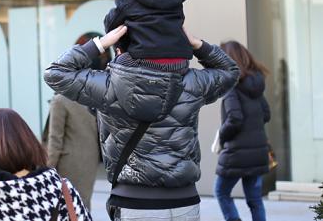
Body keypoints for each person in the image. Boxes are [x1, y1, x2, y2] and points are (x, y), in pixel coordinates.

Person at [44, 25, 240, 221]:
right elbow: (230, 70)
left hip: (135, 202)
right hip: (185, 200)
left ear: (118, 50)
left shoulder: (107, 86)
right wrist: (196, 43)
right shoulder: (190, 82)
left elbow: (55, 73)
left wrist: (100, 43)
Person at [215, 41, 271, 221]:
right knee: (255, 200)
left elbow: (235, 119)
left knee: (221, 192)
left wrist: (221, 137)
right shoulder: (256, 84)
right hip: (258, 152)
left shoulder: (232, 84)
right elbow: (266, 114)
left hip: (236, 154)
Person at [48, 94, 100, 210]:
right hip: (90, 160)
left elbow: (55, 140)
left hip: (68, 164)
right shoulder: (89, 98)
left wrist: (47, 169)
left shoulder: (60, 100)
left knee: (66, 208)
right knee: (83, 206)